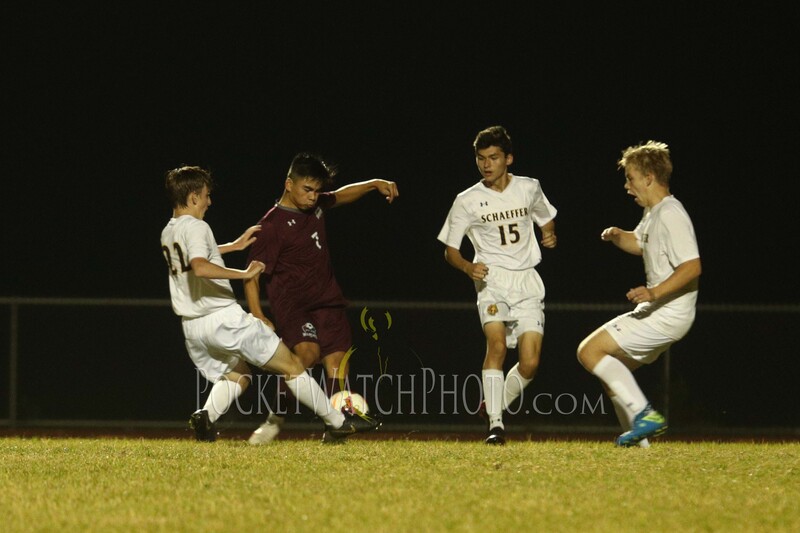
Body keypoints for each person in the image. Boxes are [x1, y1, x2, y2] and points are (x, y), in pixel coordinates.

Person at [160, 165, 380, 444]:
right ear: (193, 197)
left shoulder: (169, 230)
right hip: (223, 320)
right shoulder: (197, 226)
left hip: (194, 328)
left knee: (239, 375)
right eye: (205, 196)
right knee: (293, 366)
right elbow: (200, 266)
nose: (209, 201)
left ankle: (205, 416)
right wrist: (243, 274)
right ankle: (338, 422)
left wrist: (233, 246)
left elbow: (193, 258)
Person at [243, 153, 399, 444]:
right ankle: (275, 420)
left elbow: (339, 196)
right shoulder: (272, 225)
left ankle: (333, 428)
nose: (313, 196)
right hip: (293, 306)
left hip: (327, 298)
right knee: (306, 355)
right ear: (289, 184)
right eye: (307, 189)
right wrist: (257, 314)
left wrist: (373, 184)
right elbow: (251, 276)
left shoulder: (314, 205)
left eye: (317, 190)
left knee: (337, 361)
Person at [437, 126, 558, 445]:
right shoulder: (467, 200)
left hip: (527, 281)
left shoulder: (529, 187)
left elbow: (545, 218)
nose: (486, 164)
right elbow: (450, 250)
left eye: (493, 157)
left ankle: (494, 404)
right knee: (497, 345)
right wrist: (467, 267)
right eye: (481, 158)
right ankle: (496, 425)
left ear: (509, 159)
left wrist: (549, 233)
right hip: (492, 282)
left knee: (530, 363)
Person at [577, 141, 701, 447]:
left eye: (630, 178)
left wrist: (654, 292)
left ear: (648, 178)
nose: (627, 185)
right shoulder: (654, 211)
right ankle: (639, 449)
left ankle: (647, 416)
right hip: (663, 311)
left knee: (589, 352)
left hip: (668, 312)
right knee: (614, 376)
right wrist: (619, 236)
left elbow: (692, 266)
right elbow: (640, 242)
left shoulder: (671, 213)